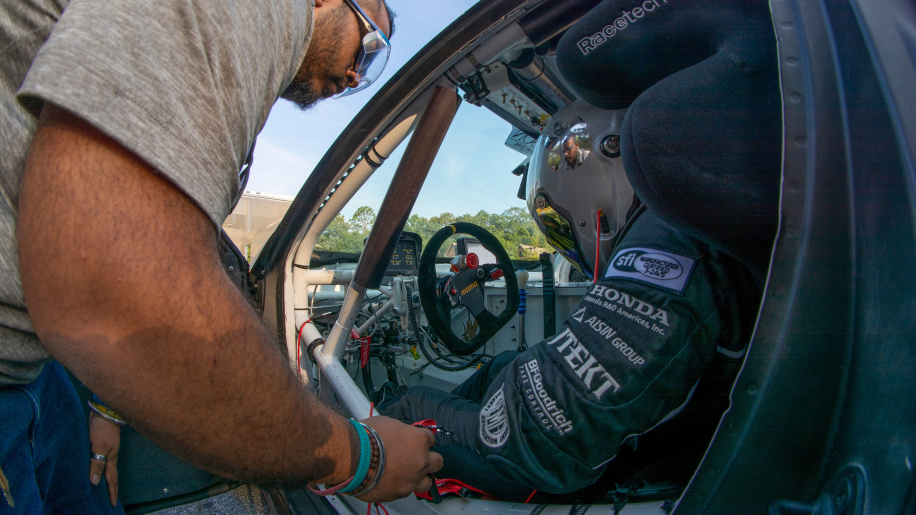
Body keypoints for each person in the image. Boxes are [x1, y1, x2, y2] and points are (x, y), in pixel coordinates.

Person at [0, 0, 441, 511]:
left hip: (30, 364)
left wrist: (107, 404)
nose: (353, 77)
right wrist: (363, 459)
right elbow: (116, 279)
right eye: (367, 48)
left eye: (371, 68)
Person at [381, 0, 780, 501]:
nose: (561, 240)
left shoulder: (676, 234)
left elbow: (536, 436)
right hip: (683, 436)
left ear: (591, 178)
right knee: (499, 370)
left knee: (408, 405)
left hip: (627, 466)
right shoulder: (706, 209)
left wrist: (373, 450)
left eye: (554, 222)